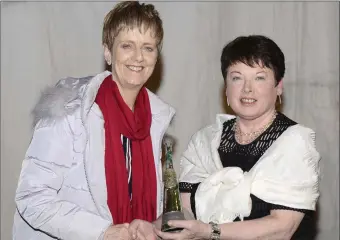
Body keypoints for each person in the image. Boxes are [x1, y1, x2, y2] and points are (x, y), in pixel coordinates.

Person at [13, 1, 174, 239]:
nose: (138, 57)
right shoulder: (69, 110)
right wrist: (101, 232)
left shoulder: (155, 120)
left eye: (148, 48)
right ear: (108, 52)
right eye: (127, 45)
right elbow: (32, 197)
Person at [155, 35, 320, 240]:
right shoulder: (205, 141)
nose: (247, 88)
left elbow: (282, 228)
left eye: (259, 77)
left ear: (278, 86)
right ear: (226, 87)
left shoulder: (294, 142)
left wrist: (209, 231)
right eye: (237, 77)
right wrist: (151, 229)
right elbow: (186, 211)